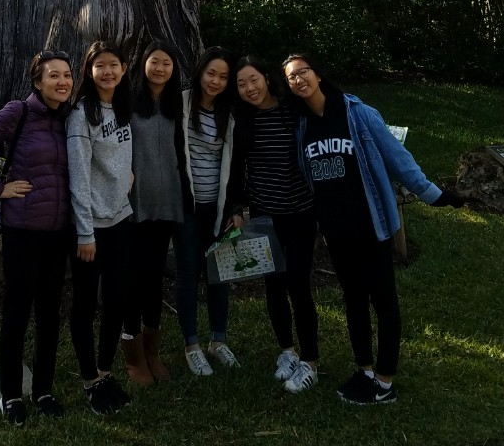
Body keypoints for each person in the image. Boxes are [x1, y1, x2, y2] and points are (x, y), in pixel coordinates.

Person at [282, 52, 463, 405]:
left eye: (303, 72)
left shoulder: (358, 114)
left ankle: (385, 381)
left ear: (318, 74)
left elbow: (397, 158)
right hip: (336, 231)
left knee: (383, 302)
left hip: (372, 225)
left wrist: (433, 194)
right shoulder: (303, 126)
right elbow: (309, 176)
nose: (299, 80)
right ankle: (365, 371)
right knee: (353, 301)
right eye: (291, 77)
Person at [0, 50, 74, 426]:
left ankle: (43, 390)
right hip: (23, 231)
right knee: (17, 313)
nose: (62, 81)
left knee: (49, 314)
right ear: (38, 82)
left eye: (67, 75)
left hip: (58, 232)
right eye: (53, 75)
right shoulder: (18, 112)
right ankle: (10, 395)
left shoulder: (69, 119)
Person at [232, 55, 319, 394]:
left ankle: (310, 360)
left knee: (299, 285)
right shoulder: (244, 120)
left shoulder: (293, 110)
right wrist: (238, 208)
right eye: (241, 84)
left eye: (253, 79)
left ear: (267, 78)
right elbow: (237, 169)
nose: (249, 88)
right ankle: (287, 351)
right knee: (274, 285)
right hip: (265, 215)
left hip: (300, 212)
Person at [66, 40, 134, 415]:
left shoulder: (122, 107)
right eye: (99, 66)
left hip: (121, 219)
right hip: (91, 228)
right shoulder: (81, 115)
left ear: (124, 68)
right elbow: (78, 179)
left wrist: (129, 177)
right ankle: (90, 379)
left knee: (117, 299)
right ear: (89, 72)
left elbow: (121, 157)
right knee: (85, 303)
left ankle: (105, 372)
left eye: (113, 65)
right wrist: (85, 232)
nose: (107, 72)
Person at [121, 39, 188, 386]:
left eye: (167, 63)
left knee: (154, 276)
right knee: (133, 277)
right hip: (134, 203)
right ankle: (132, 353)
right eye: (154, 61)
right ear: (143, 64)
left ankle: (152, 350)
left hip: (167, 202)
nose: (160, 68)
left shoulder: (179, 105)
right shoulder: (128, 102)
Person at [173, 46, 241, 376]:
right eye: (211, 73)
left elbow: (237, 167)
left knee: (218, 274)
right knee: (187, 274)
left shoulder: (230, 113)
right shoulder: (181, 104)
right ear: (200, 71)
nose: (215, 81)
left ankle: (218, 341)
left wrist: (236, 209)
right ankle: (192, 345)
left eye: (223, 77)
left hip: (218, 208)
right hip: (186, 206)